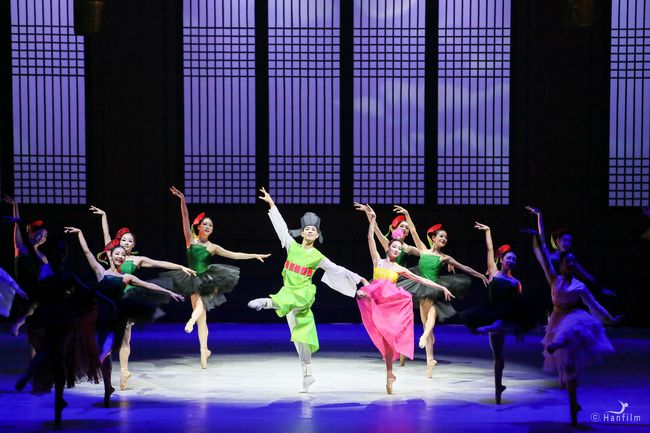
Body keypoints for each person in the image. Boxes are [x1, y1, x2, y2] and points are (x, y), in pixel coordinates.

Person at [248, 188, 367, 393]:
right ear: (302, 232)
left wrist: (358, 279)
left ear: (317, 235)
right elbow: (281, 228)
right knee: (302, 338)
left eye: (314, 230)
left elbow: (337, 270)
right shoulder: (291, 246)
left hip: (302, 295)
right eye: (307, 229)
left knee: (289, 302)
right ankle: (307, 376)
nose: (310, 231)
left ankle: (266, 302)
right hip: (289, 295)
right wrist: (272, 204)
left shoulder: (318, 256)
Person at [65, 227, 183, 406]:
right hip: (99, 317)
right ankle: (107, 387)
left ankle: (93, 365)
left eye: (122, 254)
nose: (120, 256)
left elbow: (148, 285)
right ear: (110, 256)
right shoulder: (101, 272)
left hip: (116, 318)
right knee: (105, 354)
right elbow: (87, 252)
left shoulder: (126, 277)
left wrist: (169, 292)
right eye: (117, 253)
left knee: (106, 348)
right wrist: (80, 233)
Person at [527, 208, 620, 426]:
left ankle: (560, 355)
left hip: (572, 311)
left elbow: (593, 302)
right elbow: (541, 248)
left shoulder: (577, 281)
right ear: (558, 242)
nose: (568, 244)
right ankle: (565, 377)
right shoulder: (553, 269)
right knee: (560, 345)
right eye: (565, 240)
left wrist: (609, 315)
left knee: (568, 335)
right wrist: (538, 224)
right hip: (554, 304)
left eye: (571, 241)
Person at [89, 205, 196, 389]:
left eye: (130, 241)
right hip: (112, 298)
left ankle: (123, 371)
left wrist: (180, 266)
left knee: (125, 338)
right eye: (123, 240)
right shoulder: (114, 254)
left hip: (128, 299)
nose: (126, 243)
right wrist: (104, 216)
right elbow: (106, 236)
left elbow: (159, 263)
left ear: (133, 245)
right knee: (110, 336)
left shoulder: (136, 260)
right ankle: (107, 367)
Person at [169, 186, 270, 368]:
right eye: (205, 224)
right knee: (202, 320)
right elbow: (184, 217)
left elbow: (235, 255)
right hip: (192, 280)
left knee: (200, 305)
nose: (208, 227)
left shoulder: (213, 247)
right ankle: (204, 350)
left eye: (211, 225)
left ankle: (190, 321)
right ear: (198, 227)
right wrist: (182, 200)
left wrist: (254, 255)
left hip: (208, 279)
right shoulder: (190, 241)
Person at [357, 205, 451, 394]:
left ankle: (391, 372)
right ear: (388, 247)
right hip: (375, 301)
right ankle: (390, 373)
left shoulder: (399, 269)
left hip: (389, 304)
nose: (397, 249)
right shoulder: (377, 260)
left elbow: (421, 279)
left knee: (389, 340)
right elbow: (370, 238)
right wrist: (372, 219)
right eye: (394, 246)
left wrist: (441, 287)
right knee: (383, 339)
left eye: (400, 248)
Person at [393, 206, 487, 377]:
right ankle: (430, 360)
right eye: (441, 236)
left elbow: (464, 267)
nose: (444, 239)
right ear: (433, 238)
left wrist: (480, 275)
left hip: (436, 288)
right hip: (421, 287)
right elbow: (413, 230)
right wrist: (407, 214)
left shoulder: (444, 257)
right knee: (426, 324)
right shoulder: (422, 250)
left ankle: (424, 336)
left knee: (432, 316)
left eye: (446, 237)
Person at [460, 222, 534, 403]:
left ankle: (498, 388)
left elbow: (519, 304)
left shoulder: (515, 282)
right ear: (501, 259)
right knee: (498, 356)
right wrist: (488, 231)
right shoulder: (492, 272)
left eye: (514, 259)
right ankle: (498, 387)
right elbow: (489, 249)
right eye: (509, 258)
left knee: (499, 338)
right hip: (490, 313)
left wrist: (520, 323)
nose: (512, 261)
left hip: (504, 314)